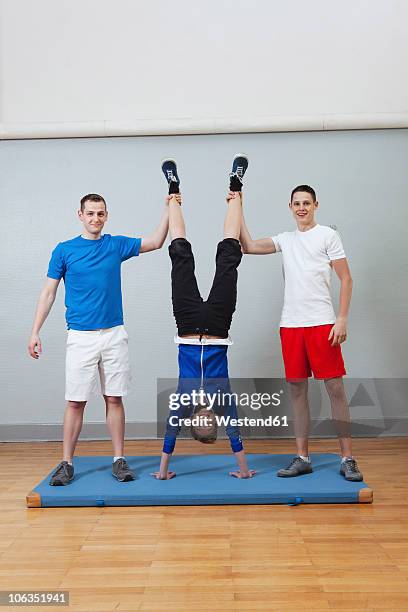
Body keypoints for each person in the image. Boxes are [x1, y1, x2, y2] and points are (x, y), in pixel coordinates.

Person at [28, 193, 169, 485]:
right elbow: (49, 292)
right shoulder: (64, 250)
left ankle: (119, 459)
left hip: (114, 333)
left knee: (114, 398)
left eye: (101, 214)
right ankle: (66, 463)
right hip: (80, 336)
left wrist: (169, 207)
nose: (95, 219)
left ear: (106, 216)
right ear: (80, 214)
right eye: (90, 213)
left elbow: (156, 242)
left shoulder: (115, 245)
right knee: (76, 402)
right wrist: (35, 331)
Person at [239, 184, 363, 481]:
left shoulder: (328, 236)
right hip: (291, 325)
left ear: (315, 205)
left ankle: (347, 457)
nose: (302, 208)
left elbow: (346, 279)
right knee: (297, 391)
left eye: (307, 203)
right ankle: (302, 456)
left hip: (322, 323)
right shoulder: (286, 239)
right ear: (291, 206)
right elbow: (248, 246)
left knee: (335, 389)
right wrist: (238, 205)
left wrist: (342, 318)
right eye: (297, 203)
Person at [152, 156, 256, 480]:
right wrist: (243, 471)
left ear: (194, 425)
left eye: (201, 426)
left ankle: (172, 190)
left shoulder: (182, 403)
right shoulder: (222, 399)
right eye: (211, 426)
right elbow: (236, 436)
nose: (206, 422)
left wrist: (162, 472)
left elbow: (169, 439)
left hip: (185, 325)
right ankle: (236, 188)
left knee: (180, 254)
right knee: (229, 254)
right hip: (217, 325)